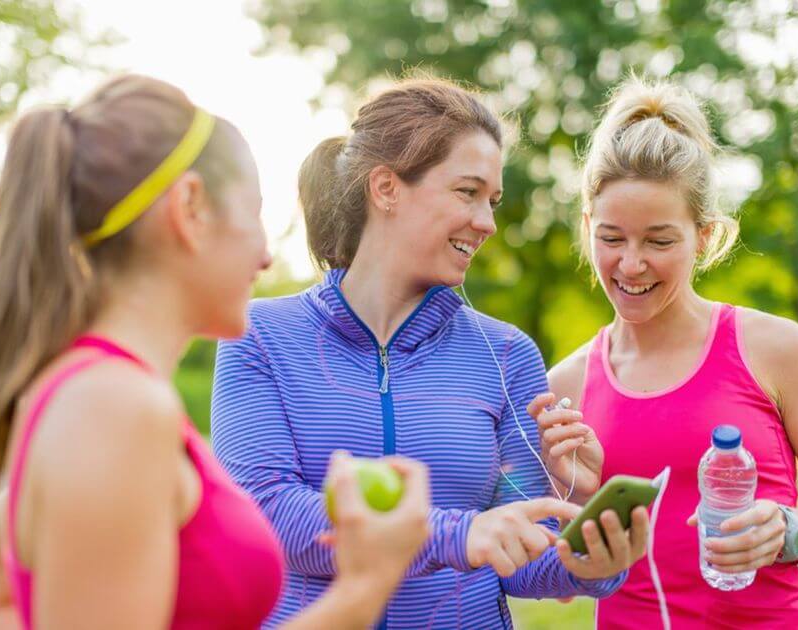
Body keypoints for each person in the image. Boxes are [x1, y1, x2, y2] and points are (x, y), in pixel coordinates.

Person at [0, 73, 432, 630]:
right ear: (190, 207)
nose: (264, 256)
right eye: (255, 214)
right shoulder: (114, 408)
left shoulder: (90, 388)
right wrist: (366, 586)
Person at [210, 77, 650, 630]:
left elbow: (517, 557)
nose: (487, 223)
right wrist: (458, 535)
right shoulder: (261, 336)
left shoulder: (506, 354)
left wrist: (587, 554)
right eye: (467, 193)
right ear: (387, 188)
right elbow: (267, 512)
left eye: (491, 201)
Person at [537, 77, 798, 628]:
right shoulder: (565, 385)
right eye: (611, 238)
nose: (631, 264)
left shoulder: (776, 348)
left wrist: (789, 529)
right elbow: (559, 579)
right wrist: (579, 496)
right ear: (586, 229)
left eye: (659, 240)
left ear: (703, 236)